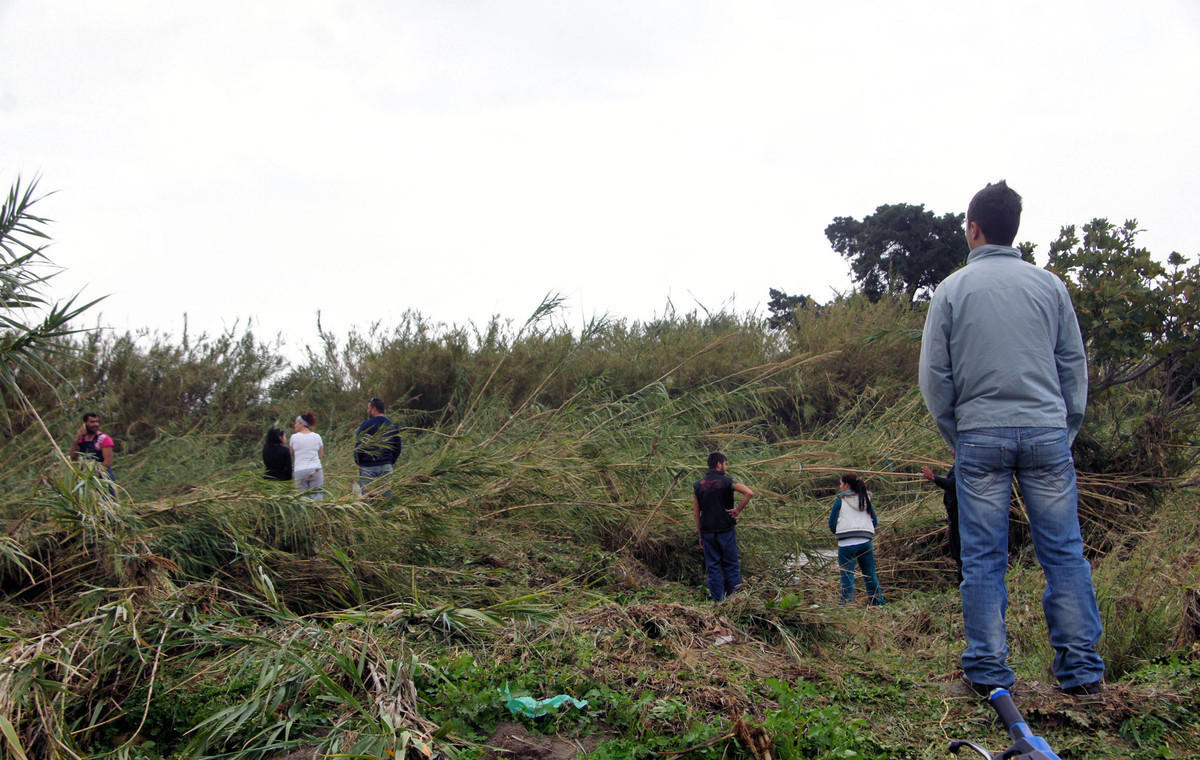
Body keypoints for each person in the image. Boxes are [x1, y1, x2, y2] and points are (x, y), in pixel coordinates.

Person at [919, 180, 1105, 697]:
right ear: (1013, 229)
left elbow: (936, 378)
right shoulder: (1051, 287)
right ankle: (1083, 675)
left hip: (980, 437)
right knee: (1065, 554)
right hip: (1047, 432)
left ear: (973, 229)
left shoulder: (952, 290)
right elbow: (1073, 365)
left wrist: (959, 434)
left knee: (983, 559)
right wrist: (1064, 429)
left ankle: (988, 676)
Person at [693, 452, 753, 602]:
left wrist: (700, 534)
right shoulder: (727, 482)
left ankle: (718, 602)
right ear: (719, 464)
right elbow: (749, 492)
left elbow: (696, 514)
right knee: (731, 565)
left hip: (708, 532)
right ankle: (734, 600)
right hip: (725, 530)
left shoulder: (698, 485)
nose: (726, 467)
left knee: (713, 568)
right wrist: (738, 509)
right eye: (725, 464)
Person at [828, 473, 885, 605]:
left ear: (847, 485)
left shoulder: (840, 500)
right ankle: (878, 603)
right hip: (866, 541)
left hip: (847, 543)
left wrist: (838, 532)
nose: (840, 486)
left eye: (841, 484)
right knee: (870, 574)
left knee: (847, 575)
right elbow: (874, 521)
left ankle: (847, 603)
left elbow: (832, 523)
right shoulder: (866, 498)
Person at [354, 397, 401, 500]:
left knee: (368, 499)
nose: (367, 410)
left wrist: (359, 462)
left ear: (374, 408)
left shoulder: (366, 424)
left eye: (368, 408)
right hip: (386, 466)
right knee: (386, 498)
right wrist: (390, 461)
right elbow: (397, 446)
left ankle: (370, 515)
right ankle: (387, 514)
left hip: (368, 467)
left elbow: (358, 446)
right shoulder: (392, 425)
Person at [922, 465, 962, 584]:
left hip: (960, 514)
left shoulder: (963, 465)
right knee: (955, 547)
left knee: (960, 547)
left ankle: (965, 580)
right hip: (953, 515)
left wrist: (934, 478)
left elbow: (953, 484)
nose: (950, 450)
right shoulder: (957, 464)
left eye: (952, 447)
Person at [68, 412, 116, 492]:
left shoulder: (104, 438)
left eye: (97, 421)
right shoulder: (81, 439)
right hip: (85, 477)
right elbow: (71, 457)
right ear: (85, 423)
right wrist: (77, 439)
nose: (95, 424)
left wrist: (93, 477)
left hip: (102, 478)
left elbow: (107, 462)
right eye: (92, 422)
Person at [290, 412, 324, 499]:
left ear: (302, 424)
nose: (295, 425)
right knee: (317, 497)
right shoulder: (317, 436)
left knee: (302, 498)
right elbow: (321, 455)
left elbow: (292, 454)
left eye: (296, 423)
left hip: (300, 470)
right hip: (316, 469)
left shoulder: (294, 437)